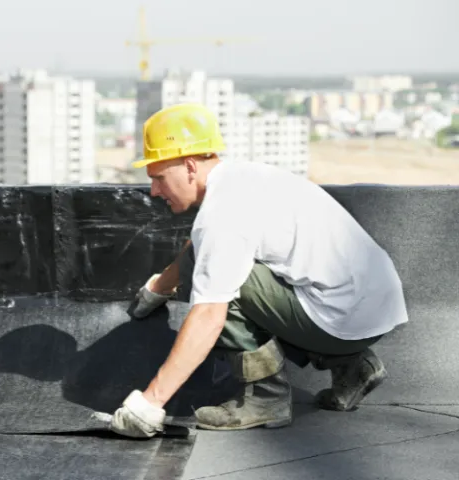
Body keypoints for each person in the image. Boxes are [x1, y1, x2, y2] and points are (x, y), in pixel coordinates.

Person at [108, 103, 409, 439]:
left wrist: (150, 403)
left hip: (342, 320)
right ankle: (353, 366)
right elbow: (202, 246)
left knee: (221, 283)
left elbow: (209, 315)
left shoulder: (223, 215)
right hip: (372, 307)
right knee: (213, 261)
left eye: (159, 178)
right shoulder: (242, 176)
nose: (154, 191)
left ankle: (266, 398)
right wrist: (159, 288)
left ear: (190, 166)